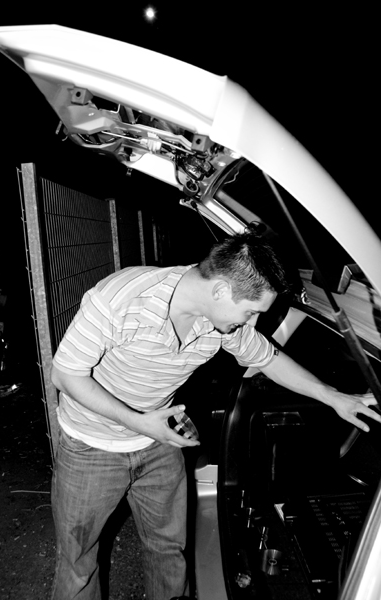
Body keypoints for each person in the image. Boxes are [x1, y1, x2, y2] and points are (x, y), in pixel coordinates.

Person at [50, 232, 381, 600]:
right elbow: (65, 375)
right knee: (78, 564)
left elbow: (268, 358)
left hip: (159, 440)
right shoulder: (121, 298)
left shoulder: (218, 319)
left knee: (169, 551)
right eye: (251, 311)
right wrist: (137, 421)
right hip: (91, 446)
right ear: (221, 290)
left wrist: (335, 397)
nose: (252, 321)